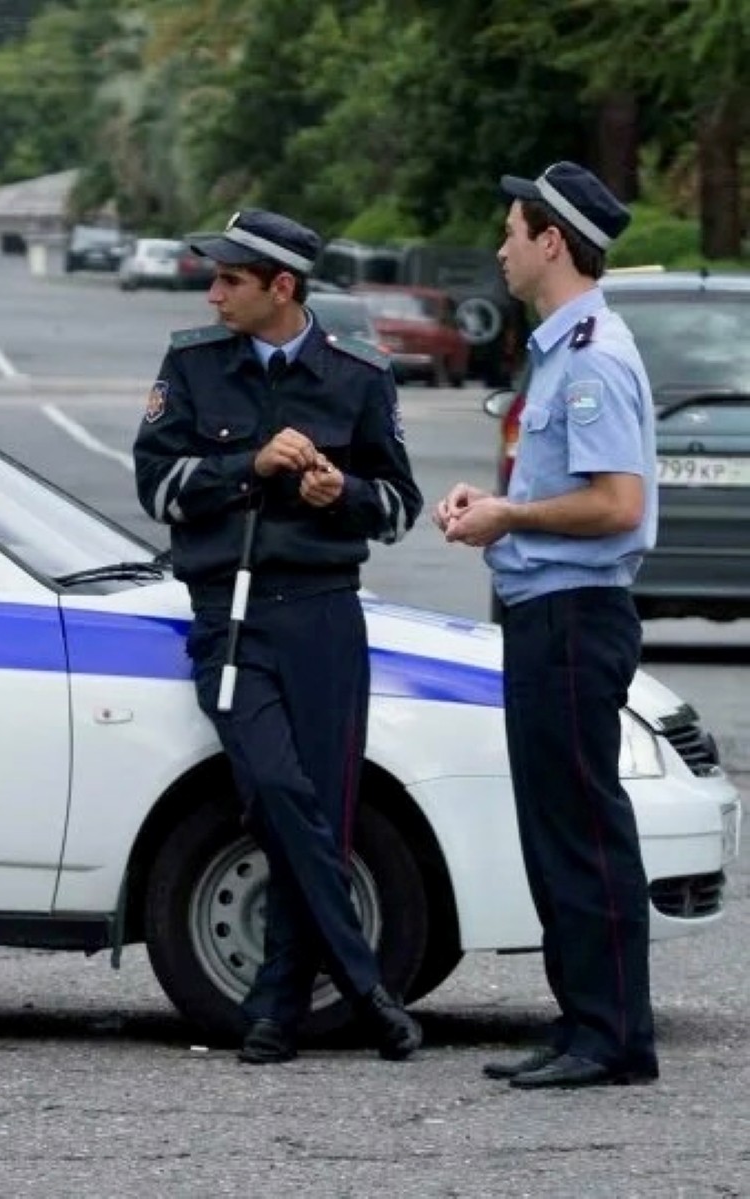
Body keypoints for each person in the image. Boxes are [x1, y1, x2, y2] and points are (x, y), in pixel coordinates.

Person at [135, 209, 424, 1064]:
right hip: (232, 613)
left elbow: (401, 504)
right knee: (272, 784)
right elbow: (155, 486)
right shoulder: (192, 364)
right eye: (214, 277)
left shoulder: (357, 375)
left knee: (322, 809)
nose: (214, 291)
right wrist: (248, 465)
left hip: (325, 612)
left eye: (231, 279)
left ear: (282, 289)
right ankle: (368, 983)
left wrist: (347, 494)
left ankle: (274, 1006)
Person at [434, 162, 659, 1090]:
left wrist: (508, 519)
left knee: (581, 827)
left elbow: (614, 505)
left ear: (552, 242)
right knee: (552, 824)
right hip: (545, 612)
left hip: (574, 615)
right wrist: (495, 506)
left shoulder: (595, 354)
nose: (501, 248)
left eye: (513, 232)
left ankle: (614, 1037)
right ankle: (582, 1025)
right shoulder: (560, 349)